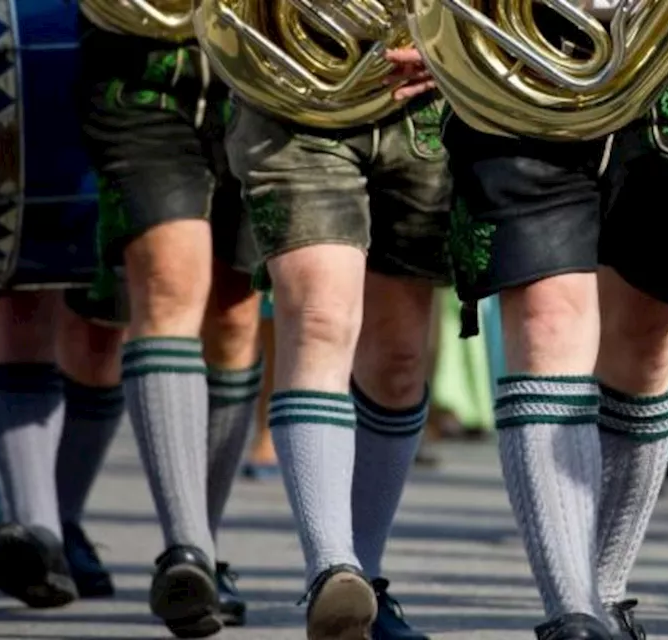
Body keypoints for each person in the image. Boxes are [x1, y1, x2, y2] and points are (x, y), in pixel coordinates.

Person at [397, 7, 668, 637]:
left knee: (643, 341)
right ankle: (572, 610)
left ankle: (602, 592)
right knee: (547, 318)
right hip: (508, 45)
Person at [221, 29, 452, 638]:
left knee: (400, 358)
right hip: (294, 88)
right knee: (320, 319)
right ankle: (331, 567)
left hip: (425, 99)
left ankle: (364, 585)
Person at [74, 2, 264, 635]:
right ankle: (185, 548)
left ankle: (202, 544)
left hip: (265, 71)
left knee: (236, 317)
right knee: (169, 284)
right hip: (142, 69)